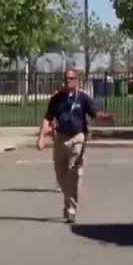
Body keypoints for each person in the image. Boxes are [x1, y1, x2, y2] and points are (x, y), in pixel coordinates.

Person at [36, 69, 97, 223]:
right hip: (60, 139)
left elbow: (95, 114)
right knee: (61, 175)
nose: (67, 81)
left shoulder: (83, 98)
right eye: (66, 78)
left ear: (77, 80)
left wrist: (107, 117)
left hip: (77, 138)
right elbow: (47, 118)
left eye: (71, 78)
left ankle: (72, 208)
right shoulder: (56, 98)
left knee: (74, 173)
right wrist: (41, 137)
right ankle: (68, 199)